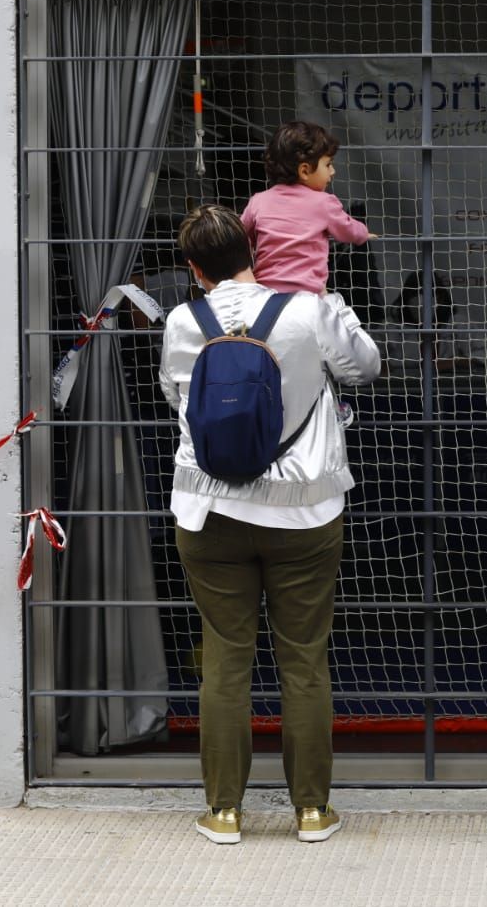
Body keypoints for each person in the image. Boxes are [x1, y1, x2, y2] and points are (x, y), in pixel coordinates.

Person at [159, 204, 381, 845]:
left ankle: (223, 812)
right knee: (304, 661)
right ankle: (312, 810)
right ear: (253, 251)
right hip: (304, 513)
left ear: (195, 268)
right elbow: (365, 366)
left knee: (226, 662)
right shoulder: (309, 311)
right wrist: (337, 310)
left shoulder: (181, 321)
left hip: (209, 512)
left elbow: (180, 398)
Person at [243, 120, 376, 295]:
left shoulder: (258, 201)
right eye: (328, 164)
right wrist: (363, 234)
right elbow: (347, 229)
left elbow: (240, 236)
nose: (333, 171)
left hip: (266, 297)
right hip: (307, 296)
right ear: (304, 171)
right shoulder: (324, 203)